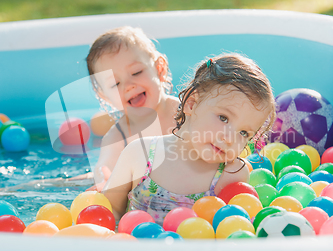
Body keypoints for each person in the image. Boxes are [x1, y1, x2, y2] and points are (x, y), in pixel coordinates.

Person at [102, 53, 276, 225]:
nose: (230, 139)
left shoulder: (231, 174)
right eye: (223, 118)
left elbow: (231, 230)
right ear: (191, 104)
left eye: (244, 133)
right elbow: (108, 216)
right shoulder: (140, 153)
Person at [85, 26, 179, 191]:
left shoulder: (185, 112)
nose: (128, 86)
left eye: (136, 72)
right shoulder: (117, 136)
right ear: (105, 96)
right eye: (115, 84)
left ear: (159, 69)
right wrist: (104, 180)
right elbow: (104, 168)